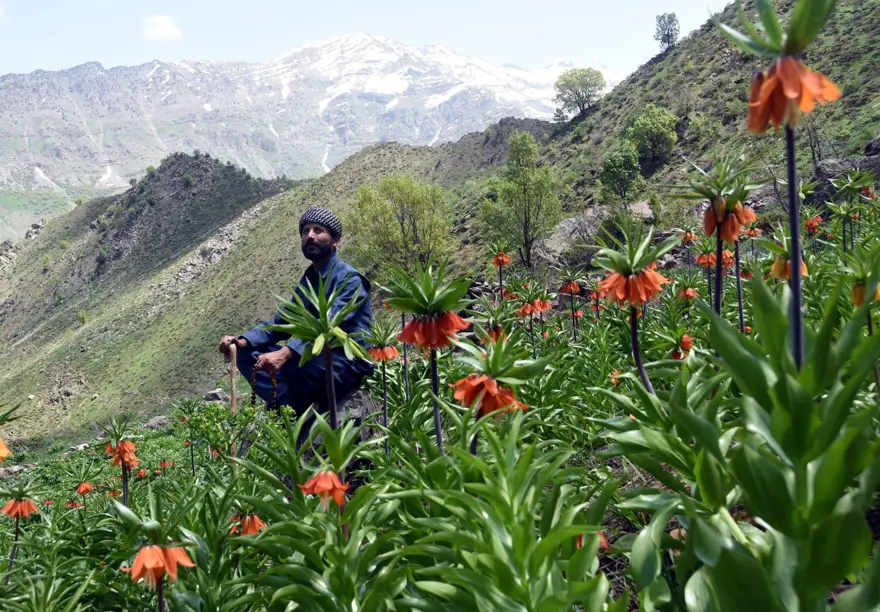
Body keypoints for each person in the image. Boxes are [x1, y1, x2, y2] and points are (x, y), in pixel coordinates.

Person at [219, 206, 374, 421]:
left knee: (297, 368)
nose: (310, 235)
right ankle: (291, 409)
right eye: (305, 231)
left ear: (336, 241)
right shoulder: (310, 278)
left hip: (345, 360)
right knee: (247, 355)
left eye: (318, 230)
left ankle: (293, 412)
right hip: (311, 354)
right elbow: (283, 321)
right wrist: (242, 341)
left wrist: (286, 353)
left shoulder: (351, 279)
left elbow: (328, 325)